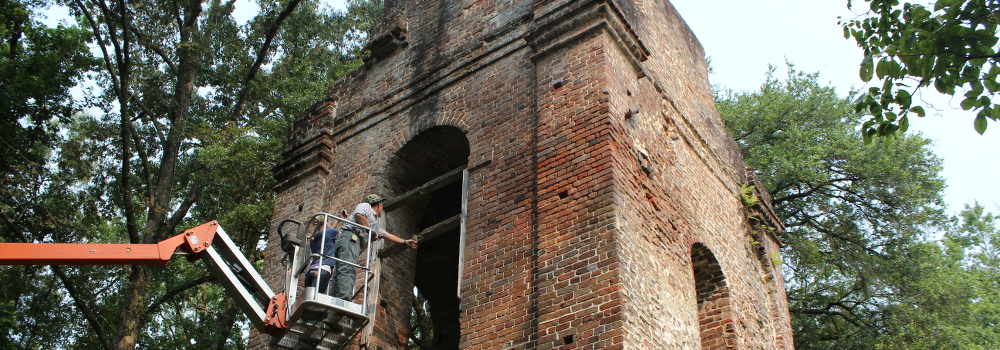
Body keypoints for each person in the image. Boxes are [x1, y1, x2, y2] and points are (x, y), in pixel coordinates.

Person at [331, 194, 418, 301]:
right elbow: (359, 215)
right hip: (350, 238)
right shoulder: (365, 206)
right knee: (348, 268)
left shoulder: (373, 223)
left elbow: (387, 235)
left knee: (341, 270)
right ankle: (342, 299)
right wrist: (370, 231)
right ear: (378, 204)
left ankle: (333, 299)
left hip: (351, 242)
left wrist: (404, 242)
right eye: (382, 204)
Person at [303, 227, 339, 294]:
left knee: (309, 299)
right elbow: (342, 237)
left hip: (311, 271)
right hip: (323, 269)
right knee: (314, 300)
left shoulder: (313, 239)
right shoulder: (329, 232)